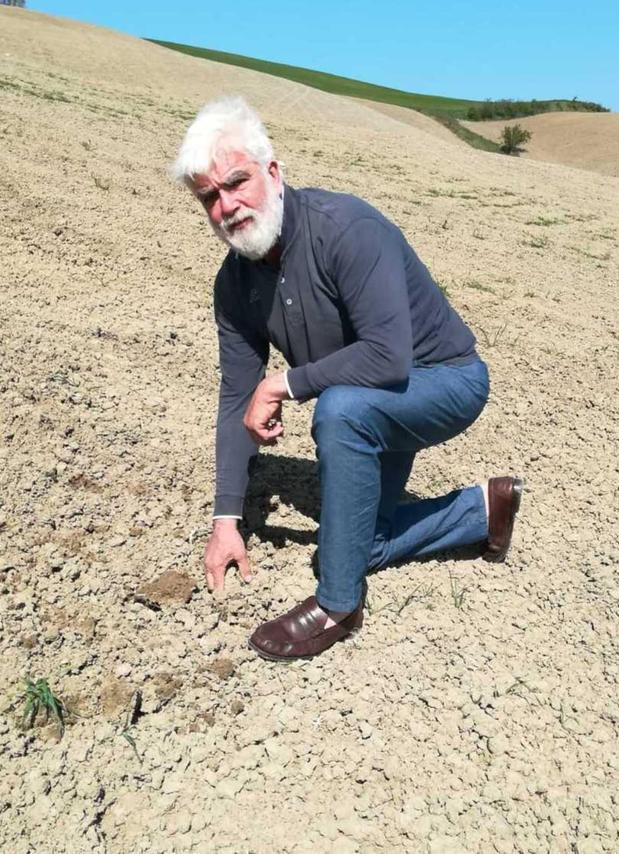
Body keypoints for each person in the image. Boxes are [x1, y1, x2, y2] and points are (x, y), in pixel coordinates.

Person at [173, 96, 522, 661]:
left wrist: (282, 384)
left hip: (443, 381)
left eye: (236, 182)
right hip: (373, 398)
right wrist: (226, 519)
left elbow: (387, 358)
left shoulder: (347, 228)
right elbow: (236, 396)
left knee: (338, 411)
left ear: (273, 172)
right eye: (209, 197)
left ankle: (338, 605)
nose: (227, 206)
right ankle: (483, 510)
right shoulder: (234, 285)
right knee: (361, 542)